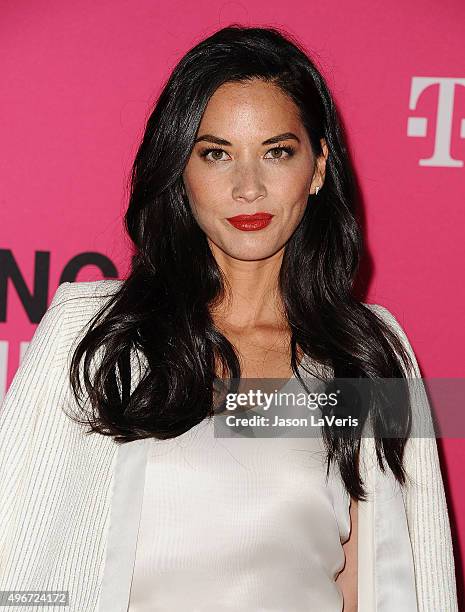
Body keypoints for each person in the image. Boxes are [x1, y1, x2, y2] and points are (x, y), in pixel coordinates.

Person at [0, 24, 458, 612]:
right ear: (180, 170)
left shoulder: (366, 354)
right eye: (216, 154)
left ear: (317, 167)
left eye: (277, 152)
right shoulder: (90, 335)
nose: (248, 187)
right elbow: (13, 550)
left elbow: (390, 582)